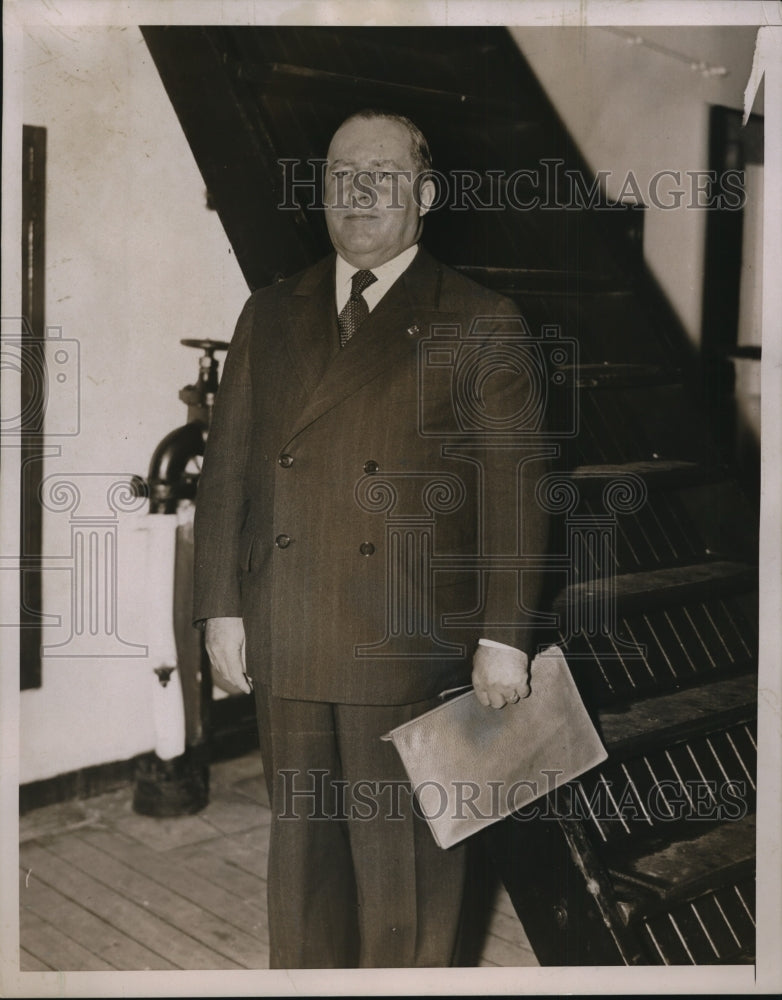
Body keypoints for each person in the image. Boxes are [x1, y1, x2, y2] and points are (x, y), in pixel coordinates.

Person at [193, 109, 549, 968]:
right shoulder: (270, 312)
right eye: (341, 174)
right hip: (291, 633)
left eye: (381, 174)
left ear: (423, 194)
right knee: (305, 870)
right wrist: (219, 609)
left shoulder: (480, 318)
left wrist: (504, 636)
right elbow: (230, 471)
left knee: (407, 891)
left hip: (407, 647)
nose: (358, 193)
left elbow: (515, 492)